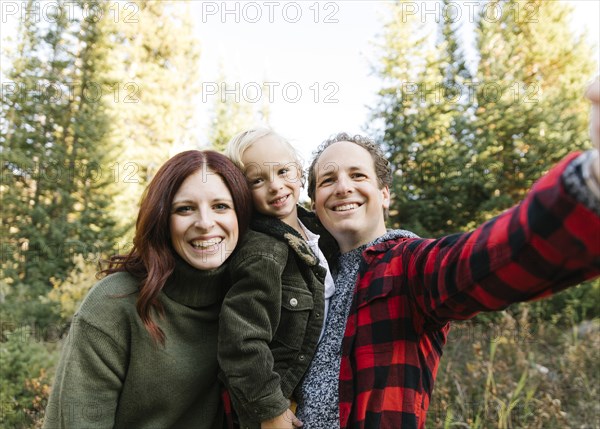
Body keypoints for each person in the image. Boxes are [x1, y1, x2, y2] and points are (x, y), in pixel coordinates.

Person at [294, 78, 600, 429]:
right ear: (314, 203)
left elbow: (489, 258)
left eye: (358, 175)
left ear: (384, 195)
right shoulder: (306, 277)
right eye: (328, 180)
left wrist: (588, 185)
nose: (343, 187)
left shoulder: (409, 264)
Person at [43, 150, 252, 429]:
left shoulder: (250, 298)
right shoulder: (112, 304)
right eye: (185, 208)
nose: (204, 223)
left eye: (221, 206)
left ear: (242, 214)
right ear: (162, 219)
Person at [218, 127, 337, 429]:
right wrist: (271, 411)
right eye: (257, 180)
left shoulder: (319, 229)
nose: (275, 186)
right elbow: (241, 341)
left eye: (283, 171)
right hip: (278, 406)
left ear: (298, 170)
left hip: (318, 397)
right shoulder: (262, 251)